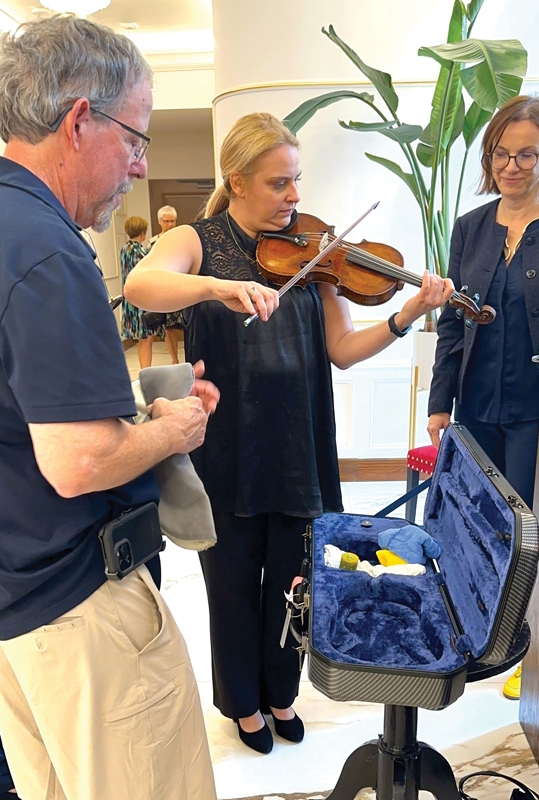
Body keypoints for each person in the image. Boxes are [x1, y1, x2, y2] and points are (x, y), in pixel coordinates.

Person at [125, 111, 455, 755]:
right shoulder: (201, 240)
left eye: (296, 181)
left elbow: (341, 348)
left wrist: (407, 313)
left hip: (299, 443)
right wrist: (220, 287)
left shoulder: (315, 248)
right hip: (226, 446)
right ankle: (244, 705)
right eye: (280, 184)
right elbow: (142, 283)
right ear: (238, 181)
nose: (295, 198)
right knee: (230, 581)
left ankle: (281, 694)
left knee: (293, 581)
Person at [0, 14, 219, 800]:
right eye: (135, 137)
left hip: (19, 606)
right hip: (81, 608)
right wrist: (172, 427)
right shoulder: (49, 249)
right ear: (79, 119)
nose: (137, 164)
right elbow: (80, 460)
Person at [427, 95, 539, 702]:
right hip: (476, 403)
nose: (512, 165)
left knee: (528, 527)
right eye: (502, 153)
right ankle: (481, 631)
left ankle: (531, 646)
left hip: (538, 411)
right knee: (478, 520)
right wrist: (439, 402)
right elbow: (454, 324)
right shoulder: (470, 228)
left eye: (526, 153)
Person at [120, 215, 164, 368]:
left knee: (141, 339)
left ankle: (144, 369)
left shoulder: (125, 249)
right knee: (146, 338)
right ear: (143, 233)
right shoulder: (140, 251)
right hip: (141, 300)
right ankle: (146, 371)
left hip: (130, 300)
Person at [150, 205, 182, 363]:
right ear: (159, 221)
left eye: (173, 221)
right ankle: (174, 360)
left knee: (188, 325)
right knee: (169, 328)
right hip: (165, 288)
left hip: (182, 287)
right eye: (167, 221)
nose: (170, 224)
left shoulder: (183, 239)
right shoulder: (153, 243)